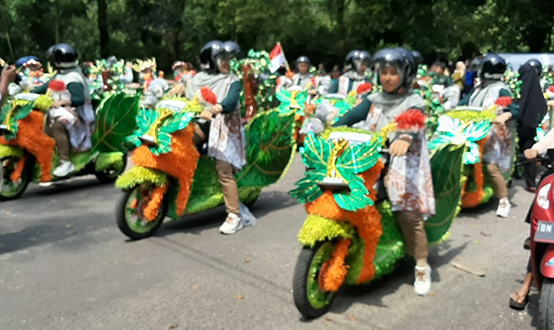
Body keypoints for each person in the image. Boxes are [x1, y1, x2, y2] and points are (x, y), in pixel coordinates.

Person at [334, 47, 435, 296]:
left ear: (405, 74)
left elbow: (412, 121)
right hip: (373, 162)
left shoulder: (414, 101)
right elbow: (349, 117)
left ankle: (422, 265)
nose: (387, 77)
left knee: (408, 216)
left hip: (404, 167)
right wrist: (329, 129)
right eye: (384, 72)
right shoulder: (374, 99)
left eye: (393, 72)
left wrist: (403, 138)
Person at [187, 40, 246, 235]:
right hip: (204, 125)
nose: (227, 62)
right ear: (210, 62)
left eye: (228, 59)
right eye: (222, 59)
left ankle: (234, 215)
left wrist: (215, 108)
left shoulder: (233, 80)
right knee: (179, 145)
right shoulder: (197, 79)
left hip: (226, 128)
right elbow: (188, 99)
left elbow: (230, 102)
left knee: (224, 170)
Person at [458, 53, 520, 218]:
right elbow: (463, 103)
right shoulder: (479, 88)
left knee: (491, 167)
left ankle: (504, 200)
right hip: (472, 134)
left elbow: (513, 108)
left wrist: (505, 116)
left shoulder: (500, 89)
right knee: (469, 163)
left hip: (492, 137)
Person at [32, 43, 95, 178]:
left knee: (56, 127)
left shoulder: (73, 77)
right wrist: (26, 94)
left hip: (78, 114)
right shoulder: (61, 74)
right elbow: (43, 88)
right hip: (60, 111)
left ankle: (65, 161)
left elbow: (78, 99)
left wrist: (62, 102)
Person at [517, 60, 547, 192]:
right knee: (530, 153)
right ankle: (531, 183)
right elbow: (543, 108)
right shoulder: (537, 91)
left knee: (515, 153)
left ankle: (510, 179)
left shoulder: (521, 88)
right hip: (531, 127)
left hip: (519, 126)